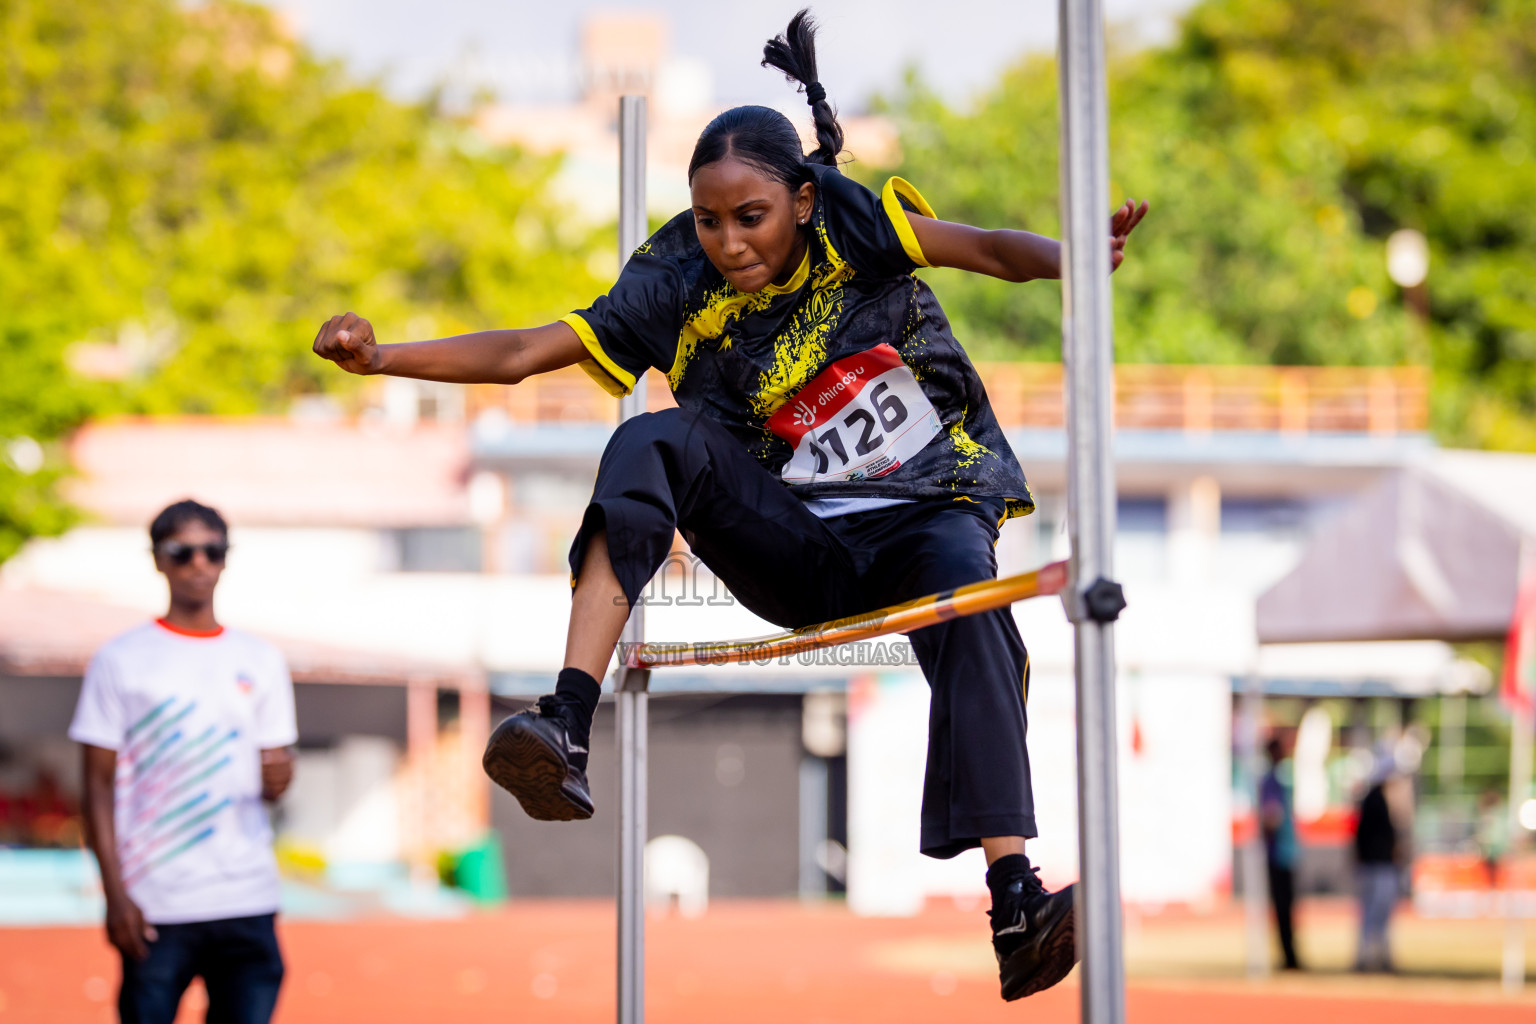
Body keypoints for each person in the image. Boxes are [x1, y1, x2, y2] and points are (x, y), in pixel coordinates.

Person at [311, 10, 1146, 1001]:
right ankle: (566, 719)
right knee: (649, 435)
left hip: (927, 513)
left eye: (750, 217)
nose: (730, 244)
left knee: (973, 600)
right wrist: (384, 358)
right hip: (799, 548)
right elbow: (527, 351)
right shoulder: (673, 278)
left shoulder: (851, 220)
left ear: (801, 198)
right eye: (709, 222)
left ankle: (1015, 903)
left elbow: (989, 250)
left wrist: (1072, 255)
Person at [70, 500, 298, 1024]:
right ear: (158, 559)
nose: (199, 563)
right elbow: (96, 788)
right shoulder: (120, 659)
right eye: (182, 551)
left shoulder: (261, 659)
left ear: (225, 558)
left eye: (212, 550)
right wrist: (115, 896)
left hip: (246, 898)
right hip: (157, 902)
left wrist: (282, 777)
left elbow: (275, 778)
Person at [1353, 755, 1403, 972]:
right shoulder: (1376, 801)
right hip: (1377, 866)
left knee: (1373, 913)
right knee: (1376, 913)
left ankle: (1372, 956)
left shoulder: (1374, 800)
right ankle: (1372, 956)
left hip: (1374, 865)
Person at [1259, 735, 1302, 970]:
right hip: (1278, 854)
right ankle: (1289, 956)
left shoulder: (1280, 779)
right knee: (1283, 907)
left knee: (1287, 908)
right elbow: (1271, 816)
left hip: (1285, 852)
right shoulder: (1272, 781)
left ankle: (1291, 955)